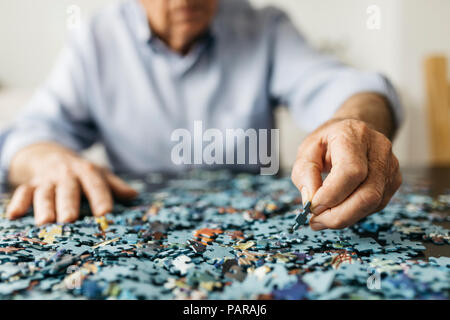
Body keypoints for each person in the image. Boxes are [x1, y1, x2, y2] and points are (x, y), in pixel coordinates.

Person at [0, 0, 402, 231]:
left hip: (257, 235)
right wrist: (48, 161)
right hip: (136, 229)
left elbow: (352, 90)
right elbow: (29, 133)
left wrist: (352, 122)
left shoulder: (264, 28)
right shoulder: (94, 41)